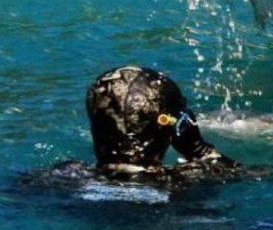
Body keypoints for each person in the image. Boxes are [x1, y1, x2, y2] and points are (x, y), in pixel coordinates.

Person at [44, 65, 242, 188]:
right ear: (167, 130)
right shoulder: (186, 179)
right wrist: (198, 148)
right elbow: (253, 176)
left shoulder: (65, 176)